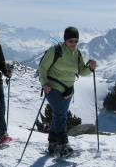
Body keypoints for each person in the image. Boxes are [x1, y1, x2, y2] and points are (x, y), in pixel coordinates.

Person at [39, 26, 97, 156]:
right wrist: (44, 83)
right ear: (65, 40)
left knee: (59, 115)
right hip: (52, 87)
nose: (73, 43)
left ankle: (53, 143)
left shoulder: (77, 54)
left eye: (76, 41)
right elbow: (42, 67)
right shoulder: (55, 50)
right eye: (71, 41)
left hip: (68, 91)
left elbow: (82, 71)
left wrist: (90, 68)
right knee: (60, 114)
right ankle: (63, 144)